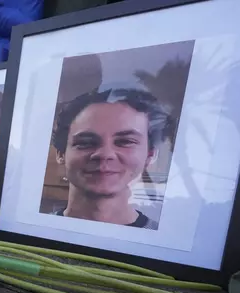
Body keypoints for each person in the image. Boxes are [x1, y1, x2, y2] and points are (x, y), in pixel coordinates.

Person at [51, 88, 172, 230]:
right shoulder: (31, 232)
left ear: (150, 155)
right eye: (85, 142)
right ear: (61, 154)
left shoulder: (165, 246)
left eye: (125, 141)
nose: (105, 154)